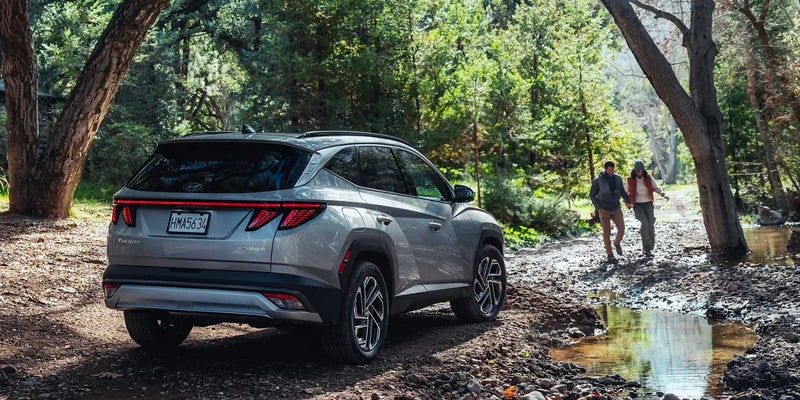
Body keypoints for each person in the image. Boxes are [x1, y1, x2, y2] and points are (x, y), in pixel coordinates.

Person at [625, 160, 669, 258]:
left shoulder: (648, 178)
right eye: (637, 171)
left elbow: (656, 187)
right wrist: (627, 202)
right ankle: (646, 247)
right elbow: (625, 192)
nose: (639, 173)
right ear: (635, 171)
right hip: (638, 205)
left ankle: (650, 247)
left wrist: (663, 194)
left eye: (641, 171)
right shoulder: (630, 180)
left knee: (650, 225)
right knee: (644, 224)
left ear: (643, 171)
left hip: (648, 203)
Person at [589, 160, 632, 262]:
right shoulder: (597, 180)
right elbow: (592, 195)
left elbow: (622, 191)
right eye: (609, 171)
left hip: (616, 208)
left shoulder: (617, 178)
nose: (611, 173)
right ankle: (610, 254)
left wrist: (628, 200)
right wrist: (598, 208)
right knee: (606, 232)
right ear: (605, 169)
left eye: (612, 171)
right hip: (603, 209)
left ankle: (617, 243)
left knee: (621, 229)